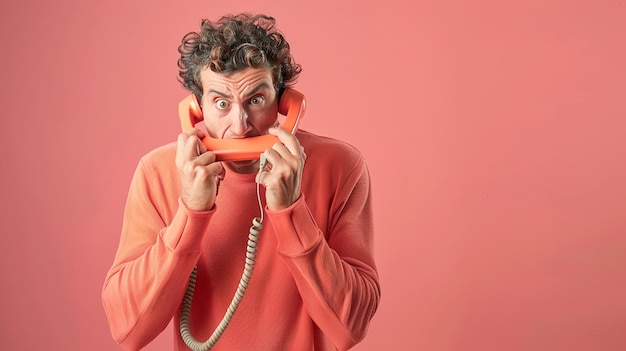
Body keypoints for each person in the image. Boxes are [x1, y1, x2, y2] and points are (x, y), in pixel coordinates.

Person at [102, 13, 380, 351]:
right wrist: (190, 212)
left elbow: (350, 327)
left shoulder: (340, 166)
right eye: (221, 103)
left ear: (284, 103)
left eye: (256, 100)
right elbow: (127, 329)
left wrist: (292, 211)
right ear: (196, 109)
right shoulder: (158, 171)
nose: (241, 125)